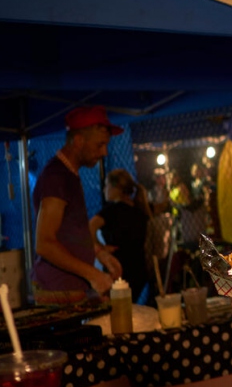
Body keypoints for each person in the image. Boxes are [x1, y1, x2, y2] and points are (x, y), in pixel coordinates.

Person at [31, 105, 124, 306]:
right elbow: (44, 243)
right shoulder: (56, 176)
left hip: (69, 288)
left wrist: (99, 252)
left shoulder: (69, 174)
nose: (105, 152)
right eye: (100, 145)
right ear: (79, 141)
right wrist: (94, 275)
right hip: (57, 291)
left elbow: (70, 233)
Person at [89, 169, 151, 305]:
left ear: (116, 188)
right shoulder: (139, 210)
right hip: (139, 269)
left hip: (118, 269)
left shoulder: (112, 211)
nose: (104, 189)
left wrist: (100, 248)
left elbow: (89, 228)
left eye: (106, 185)